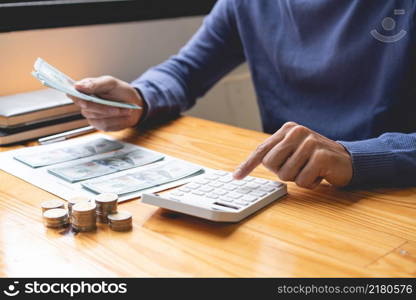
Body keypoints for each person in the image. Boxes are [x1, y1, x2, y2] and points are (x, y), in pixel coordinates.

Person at [68, 0, 416, 189]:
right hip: (291, 191)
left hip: (394, 193)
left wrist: (356, 155)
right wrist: (139, 99)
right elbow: (184, 71)